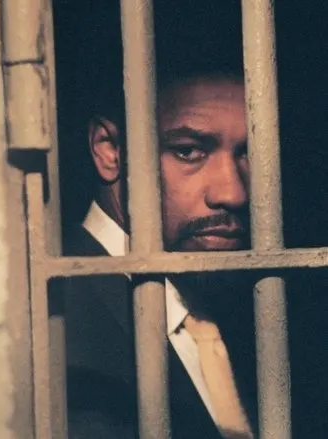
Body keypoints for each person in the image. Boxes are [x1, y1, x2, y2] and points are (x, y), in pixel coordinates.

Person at [52, 59, 261, 439]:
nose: (233, 193)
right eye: (189, 151)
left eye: (250, 153)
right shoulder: (53, 318)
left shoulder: (255, 301)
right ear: (110, 151)